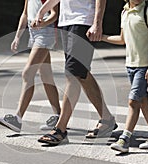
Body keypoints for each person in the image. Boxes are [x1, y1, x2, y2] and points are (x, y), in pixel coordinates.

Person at [32, 0, 117, 145]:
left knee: (73, 75)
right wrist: (41, 13)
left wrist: (97, 23)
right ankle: (107, 119)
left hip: (83, 21)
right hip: (66, 22)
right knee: (81, 74)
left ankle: (60, 129)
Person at [102, 0, 148, 153]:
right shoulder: (125, 12)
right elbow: (122, 39)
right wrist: (102, 37)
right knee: (142, 100)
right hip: (130, 65)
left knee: (133, 101)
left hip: (144, 66)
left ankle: (124, 139)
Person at [0, 0, 61, 132]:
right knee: (46, 76)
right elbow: (24, 14)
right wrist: (17, 37)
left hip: (45, 32)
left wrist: (43, 23)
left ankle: (17, 119)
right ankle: (59, 117)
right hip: (34, 32)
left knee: (27, 73)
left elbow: (55, 14)